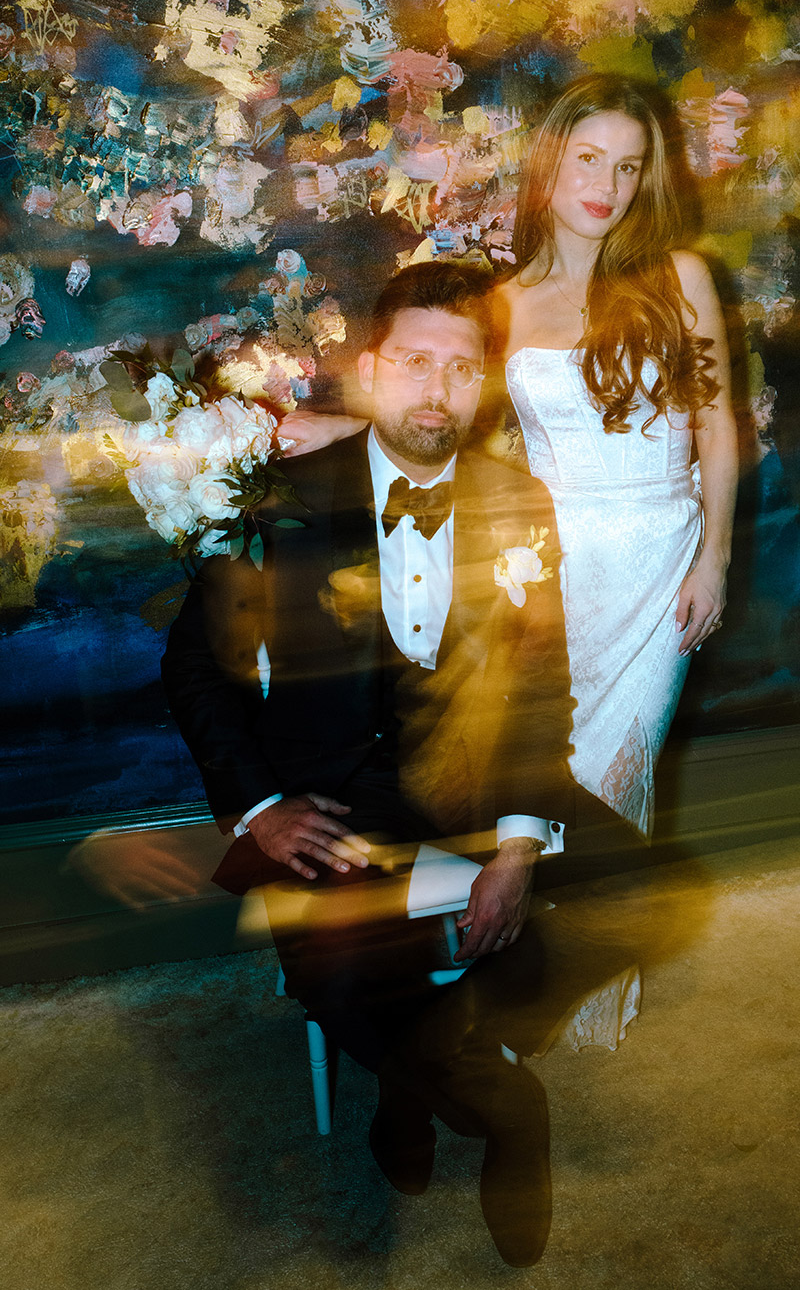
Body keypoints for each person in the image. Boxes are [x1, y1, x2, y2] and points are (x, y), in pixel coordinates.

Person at [279, 74, 739, 1045]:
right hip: (554, 560)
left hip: (660, 558)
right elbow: (443, 406)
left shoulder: (680, 275)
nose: (605, 183)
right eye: (588, 158)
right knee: (546, 765)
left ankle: (584, 982)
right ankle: (520, 968)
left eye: (627, 165)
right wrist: (337, 421)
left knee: (618, 764)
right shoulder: (500, 301)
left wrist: (717, 558)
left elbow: (717, 424)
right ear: (552, 162)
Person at [161, 261, 581, 1264]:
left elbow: (539, 686)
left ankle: (404, 1082)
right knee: (344, 975)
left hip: (470, 793)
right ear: (369, 368)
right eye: (412, 361)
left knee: (568, 938)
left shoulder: (518, 500)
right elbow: (194, 671)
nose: (435, 390)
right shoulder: (279, 502)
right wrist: (257, 804)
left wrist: (517, 851)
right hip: (329, 804)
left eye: (460, 365)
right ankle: (506, 1111)